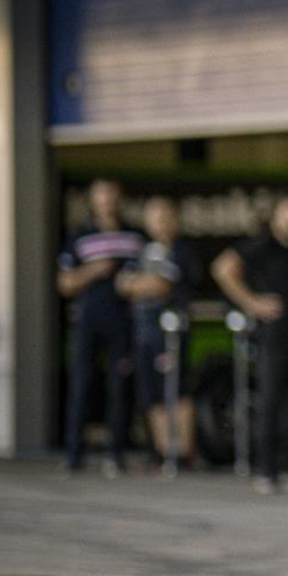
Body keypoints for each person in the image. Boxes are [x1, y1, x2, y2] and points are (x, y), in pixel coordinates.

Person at [211, 195, 288, 494]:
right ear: (276, 216)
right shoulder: (262, 245)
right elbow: (223, 268)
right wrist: (252, 303)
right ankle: (265, 468)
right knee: (270, 400)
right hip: (273, 336)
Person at [57, 179, 146, 477]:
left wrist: (134, 284)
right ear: (92, 201)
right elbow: (65, 283)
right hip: (88, 321)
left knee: (119, 388)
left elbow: (150, 274)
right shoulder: (80, 236)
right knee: (81, 385)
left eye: (112, 195)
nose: (107, 201)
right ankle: (73, 454)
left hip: (123, 321)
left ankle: (116, 454)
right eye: (101, 196)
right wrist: (92, 270)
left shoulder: (135, 236)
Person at [117, 196, 200, 466]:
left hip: (172, 330)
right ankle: (163, 451)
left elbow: (164, 285)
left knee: (176, 388)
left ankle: (184, 452)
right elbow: (122, 284)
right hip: (144, 330)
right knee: (150, 391)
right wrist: (143, 284)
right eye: (154, 216)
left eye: (165, 216)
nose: (159, 222)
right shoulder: (141, 250)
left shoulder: (182, 250)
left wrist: (139, 285)